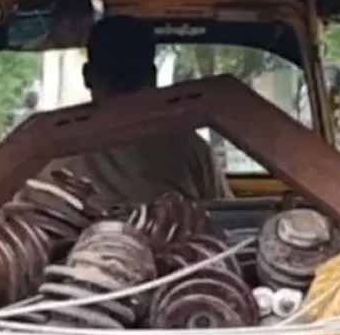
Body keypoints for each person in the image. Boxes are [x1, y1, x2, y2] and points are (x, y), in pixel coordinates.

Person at [47, 15, 231, 204]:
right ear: (152, 77)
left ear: (87, 75)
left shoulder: (47, 150)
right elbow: (224, 213)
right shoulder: (191, 149)